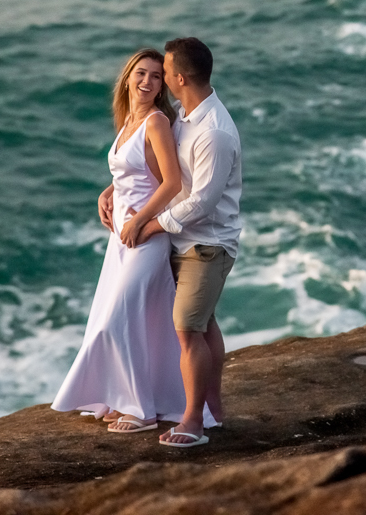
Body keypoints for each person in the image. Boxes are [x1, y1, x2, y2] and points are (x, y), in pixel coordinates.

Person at [51, 48, 219, 434]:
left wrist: (141, 220)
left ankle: (141, 410)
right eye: (141, 73)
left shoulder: (157, 122)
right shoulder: (130, 119)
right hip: (121, 239)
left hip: (145, 236)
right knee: (139, 322)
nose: (147, 81)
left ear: (163, 85)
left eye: (156, 77)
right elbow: (135, 170)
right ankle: (129, 397)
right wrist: (107, 192)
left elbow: (172, 183)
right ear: (127, 77)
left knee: (117, 321)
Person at [117, 37, 242, 448]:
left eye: (165, 71)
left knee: (187, 328)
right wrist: (111, 191)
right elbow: (152, 167)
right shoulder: (184, 118)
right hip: (180, 239)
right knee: (203, 323)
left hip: (206, 245)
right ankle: (214, 408)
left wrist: (150, 225)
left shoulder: (215, 133)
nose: (161, 77)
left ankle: (193, 421)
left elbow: (203, 203)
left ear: (179, 78)